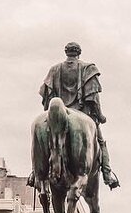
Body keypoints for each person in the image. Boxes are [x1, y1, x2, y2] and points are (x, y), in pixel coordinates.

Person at [39, 41, 119, 189]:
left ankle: (36, 172)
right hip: (82, 113)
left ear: (66, 52)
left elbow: (47, 98)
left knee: (42, 142)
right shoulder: (88, 69)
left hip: (57, 118)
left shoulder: (54, 70)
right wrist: (100, 116)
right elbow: (93, 98)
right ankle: (107, 174)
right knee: (100, 142)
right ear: (79, 53)